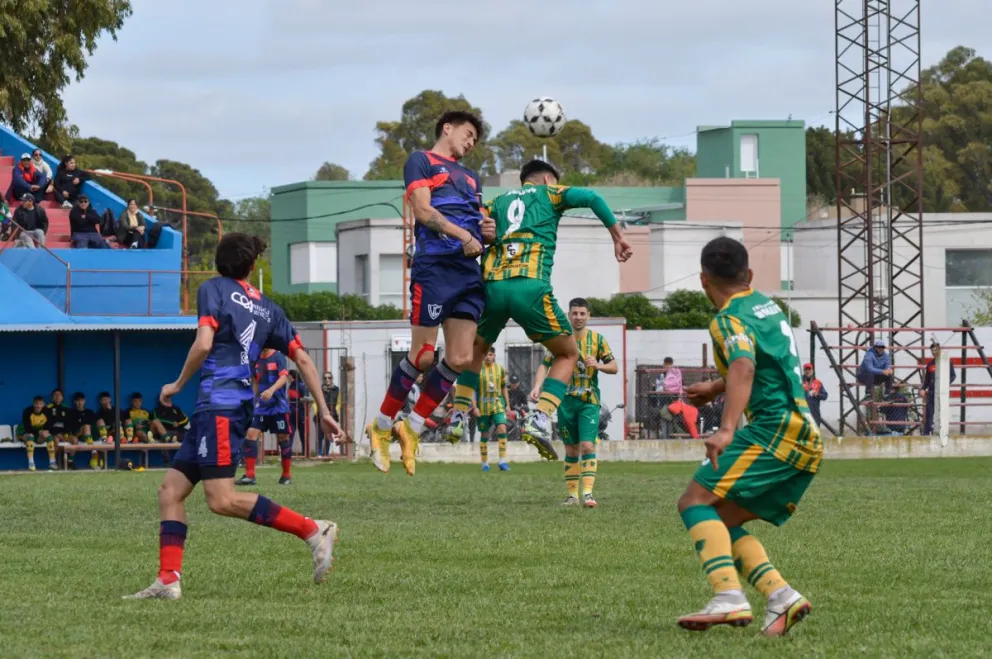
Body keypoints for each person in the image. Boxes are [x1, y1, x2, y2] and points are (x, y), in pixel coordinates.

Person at [125, 233, 343, 601]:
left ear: (218, 263)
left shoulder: (214, 289)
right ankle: (167, 579)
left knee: (221, 499)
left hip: (222, 406)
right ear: (252, 267)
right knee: (170, 491)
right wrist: (324, 409)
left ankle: (313, 529)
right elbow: (303, 359)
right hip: (218, 408)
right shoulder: (270, 310)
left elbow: (205, 342)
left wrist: (177, 384)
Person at [674, 236, 818, 637]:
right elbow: (762, 362)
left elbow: (743, 365)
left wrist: (724, 428)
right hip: (804, 435)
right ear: (749, 274)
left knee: (693, 502)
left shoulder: (726, 318)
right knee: (718, 518)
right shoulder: (766, 306)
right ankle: (782, 597)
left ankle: (728, 597)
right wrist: (716, 387)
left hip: (774, 431)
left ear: (703, 280)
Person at [448, 159, 633, 465]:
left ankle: (457, 414)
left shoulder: (496, 202)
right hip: (530, 287)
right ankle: (542, 417)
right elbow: (593, 198)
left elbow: (472, 221)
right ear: (548, 179)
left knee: (476, 351)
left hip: (492, 287)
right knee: (567, 354)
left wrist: (482, 230)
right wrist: (617, 235)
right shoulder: (551, 194)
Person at [365, 110, 489, 477]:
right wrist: (464, 236)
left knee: (461, 357)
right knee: (422, 356)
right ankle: (382, 424)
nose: (470, 143)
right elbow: (422, 210)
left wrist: (487, 231)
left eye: (475, 140)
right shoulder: (422, 160)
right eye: (468, 134)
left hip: (468, 271)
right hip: (435, 267)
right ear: (447, 129)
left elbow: (478, 222)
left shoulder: (471, 176)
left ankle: (413, 427)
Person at [531, 298, 619, 508]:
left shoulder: (598, 340)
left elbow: (614, 367)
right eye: (575, 313)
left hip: (589, 401)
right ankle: (572, 496)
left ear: (588, 315)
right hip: (565, 401)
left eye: (582, 313)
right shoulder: (559, 340)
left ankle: (588, 494)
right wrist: (537, 386)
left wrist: (598, 365)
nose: (578, 317)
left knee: (587, 445)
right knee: (571, 450)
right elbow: (545, 366)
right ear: (569, 315)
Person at [237, 348, 293, 486]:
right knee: (250, 435)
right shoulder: (256, 358)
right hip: (261, 407)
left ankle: (286, 475)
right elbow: (256, 381)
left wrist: (271, 390)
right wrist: (252, 400)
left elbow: (283, 378)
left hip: (278, 406)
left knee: (283, 439)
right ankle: (250, 475)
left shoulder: (278, 356)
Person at [473, 346, 510, 472]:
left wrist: (508, 405)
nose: (488, 357)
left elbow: (504, 387)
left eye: (490, 354)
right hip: (483, 407)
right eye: (486, 354)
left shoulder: (500, 369)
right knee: (484, 434)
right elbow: (472, 389)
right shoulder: (477, 369)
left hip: (498, 404)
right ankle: (484, 463)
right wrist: (474, 407)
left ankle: (502, 461)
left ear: (494, 356)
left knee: (502, 427)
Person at [921, 342, 956, 435]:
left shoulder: (946, 362)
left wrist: (945, 383)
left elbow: (953, 376)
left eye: (935, 350)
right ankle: (927, 432)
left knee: (942, 413)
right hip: (932, 392)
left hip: (942, 393)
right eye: (932, 350)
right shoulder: (930, 364)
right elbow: (927, 380)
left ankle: (941, 432)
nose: (934, 352)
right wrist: (923, 388)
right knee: (929, 413)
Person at [18, 395, 53, 471]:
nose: (38, 406)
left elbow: (49, 424)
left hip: (37, 433)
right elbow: (27, 428)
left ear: (43, 404)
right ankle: (31, 463)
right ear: (33, 404)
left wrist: (43, 432)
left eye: (40, 404)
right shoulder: (27, 411)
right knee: (30, 436)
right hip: (23, 432)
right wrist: (39, 432)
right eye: (36, 403)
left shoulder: (47, 411)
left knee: (48, 435)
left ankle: (52, 462)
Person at [66, 392, 100, 470]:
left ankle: (95, 459)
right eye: (77, 401)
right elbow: (70, 428)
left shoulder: (89, 412)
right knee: (86, 427)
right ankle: (70, 462)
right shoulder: (71, 412)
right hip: (77, 434)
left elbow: (96, 423)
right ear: (74, 402)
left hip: (89, 436)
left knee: (91, 426)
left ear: (84, 401)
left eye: (81, 400)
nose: (79, 403)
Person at [801, 363, 828, 428]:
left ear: (812, 371)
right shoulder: (799, 382)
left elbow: (825, 396)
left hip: (814, 412)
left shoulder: (817, 382)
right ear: (803, 371)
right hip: (802, 411)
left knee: (815, 432)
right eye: (806, 369)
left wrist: (817, 394)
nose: (807, 371)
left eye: (809, 369)